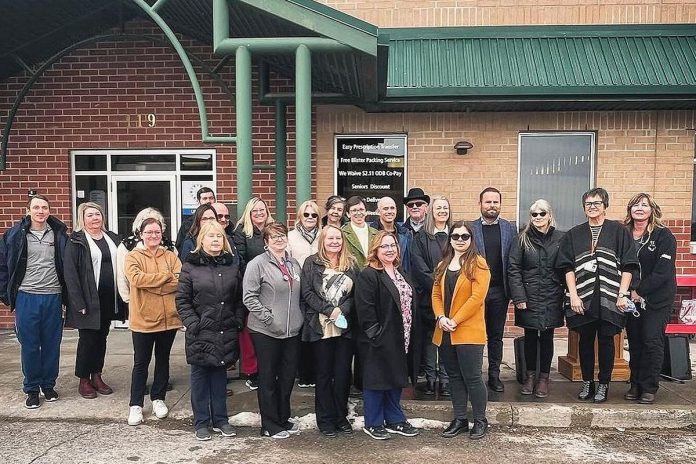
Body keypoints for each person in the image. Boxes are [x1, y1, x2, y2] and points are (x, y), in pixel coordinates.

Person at [556, 187, 639, 403]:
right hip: (583, 297)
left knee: (606, 341)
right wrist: (573, 295)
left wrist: (622, 295)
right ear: (583, 208)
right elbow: (566, 267)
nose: (592, 207)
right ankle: (587, 382)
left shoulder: (619, 231)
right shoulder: (574, 234)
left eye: (597, 203)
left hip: (610, 297)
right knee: (584, 341)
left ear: (605, 206)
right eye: (588, 204)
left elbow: (629, 265)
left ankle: (603, 384)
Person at [176, 221, 242, 441]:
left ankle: (221, 420)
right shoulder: (190, 266)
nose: (215, 240)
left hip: (225, 329)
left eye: (219, 236)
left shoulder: (231, 264)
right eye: (211, 236)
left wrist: (237, 321)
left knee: (220, 377)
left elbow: (239, 298)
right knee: (200, 377)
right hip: (201, 331)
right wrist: (194, 324)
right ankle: (201, 422)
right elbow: (182, 300)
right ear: (201, 240)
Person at [0, 194, 68, 409]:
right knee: (29, 346)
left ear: (49, 211)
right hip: (26, 296)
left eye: (45, 207)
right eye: (36, 207)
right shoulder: (14, 235)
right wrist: (5, 292)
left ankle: (48, 385)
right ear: (28, 210)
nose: (41, 211)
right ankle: (31, 389)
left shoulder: (58, 234)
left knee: (51, 345)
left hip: (53, 296)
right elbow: (3, 265)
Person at [355, 231, 420, 440]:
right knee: (377, 380)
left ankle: (394, 419)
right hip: (379, 338)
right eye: (384, 246)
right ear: (375, 250)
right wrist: (375, 335)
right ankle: (373, 422)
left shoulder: (401, 271)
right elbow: (365, 309)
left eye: (393, 245)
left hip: (403, 334)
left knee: (395, 378)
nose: (390, 249)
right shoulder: (369, 274)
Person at [243, 223, 303, 439]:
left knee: (287, 378)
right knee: (268, 378)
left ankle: (282, 418)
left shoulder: (293, 264)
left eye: (282, 235)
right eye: (274, 237)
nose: (279, 240)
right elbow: (249, 297)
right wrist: (268, 317)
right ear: (266, 242)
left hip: (291, 331)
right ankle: (269, 424)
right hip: (266, 331)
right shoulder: (257, 264)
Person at [432, 221, 491, 439]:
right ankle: (460, 419)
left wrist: (454, 320)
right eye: (455, 236)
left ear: (471, 239)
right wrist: (441, 317)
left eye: (464, 236)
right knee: (454, 376)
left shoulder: (479, 263)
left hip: (468, 331)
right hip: (445, 329)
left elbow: (477, 298)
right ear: (450, 239)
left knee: (472, 377)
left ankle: (480, 420)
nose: (459, 240)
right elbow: (436, 294)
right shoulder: (443, 264)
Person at [64, 202, 127, 399]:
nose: (95, 218)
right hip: (88, 299)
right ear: (82, 219)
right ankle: (84, 380)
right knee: (88, 340)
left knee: (101, 338)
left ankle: (96, 375)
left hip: (109, 298)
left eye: (98, 214)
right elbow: (70, 273)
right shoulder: (76, 241)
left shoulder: (113, 238)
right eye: (90, 215)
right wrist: (78, 302)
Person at [300, 225, 359, 437]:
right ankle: (325, 419)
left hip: (345, 328)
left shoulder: (351, 264)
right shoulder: (311, 263)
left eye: (338, 238)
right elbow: (306, 293)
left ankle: (340, 416)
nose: (334, 242)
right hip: (320, 326)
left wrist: (341, 310)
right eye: (330, 238)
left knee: (342, 373)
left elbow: (356, 296)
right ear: (323, 240)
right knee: (324, 375)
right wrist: (329, 311)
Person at [124, 217, 183, 426]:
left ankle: (158, 398)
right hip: (143, 319)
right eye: (149, 232)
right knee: (141, 362)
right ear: (141, 234)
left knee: (163, 360)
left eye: (157, 232)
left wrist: (154, 284)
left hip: (168, 319)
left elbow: (180, 281)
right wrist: (165, 277)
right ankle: (136, 405)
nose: (153, 236)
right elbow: (137, 280)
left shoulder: (170, 256)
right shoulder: (133, 256)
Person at [508, 200, 565, 398]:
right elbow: (513, 269)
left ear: (550, 215)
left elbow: (566, 267)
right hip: (529, 296)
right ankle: (530, 376)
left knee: (548, 337)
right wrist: (519, 296)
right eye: (534, 214)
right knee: (531, 336)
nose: (538, 217)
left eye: (542, 213)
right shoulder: (521, 239)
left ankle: (544, 378)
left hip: (552, 295)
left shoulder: (561, 238)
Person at [623, 193, 677, 404]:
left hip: (656, 299)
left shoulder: (664, 236)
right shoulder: (624, 234)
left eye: (644, 205)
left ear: (652, 210)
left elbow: (662, 272)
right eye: (635, 204)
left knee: (651, 340)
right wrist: (627, 293)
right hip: (630, 300)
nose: (639, 208)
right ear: (630, 209)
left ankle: (649, 386)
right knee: (634, 342)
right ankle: (635, 383)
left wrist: (639, 291)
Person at [469, 187, 517, 393]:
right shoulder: (470, 228)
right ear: (480, 204)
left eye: (495, 202)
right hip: (476, 292)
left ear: (500, 204)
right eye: (487, 202)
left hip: (499, 291)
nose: (491, 206)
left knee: (496, 336)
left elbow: (513, 260)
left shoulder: (509, 228)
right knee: (476, 335)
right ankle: (475, 376)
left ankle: (494, 375)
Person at [410, 195, 452, 396]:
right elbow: (419, 268)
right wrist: (438, 288)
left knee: (446, 338)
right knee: (429, 339)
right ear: (431, 212)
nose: (442, 211)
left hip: (453, 297)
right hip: (428, 296)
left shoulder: (457, 235)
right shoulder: (421, 238)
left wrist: (450, 289)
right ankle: (430, 377)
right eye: (438, 208)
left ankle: (445, 379)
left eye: (445, 208)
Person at [233, 196, 275, 391]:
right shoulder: (242, 233)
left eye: (262, 209)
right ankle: (252, 372)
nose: (259, 213)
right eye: (254, 210)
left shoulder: (274, 229)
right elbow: (240, 261)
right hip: (252, 288)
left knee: (270, 330)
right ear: (248, 214)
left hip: (273, 288)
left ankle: (268, 368)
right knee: (251, 333)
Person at [287, 200, 322, 388]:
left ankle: (315, 372)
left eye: (314, 215)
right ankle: (303, 373)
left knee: (316, 328)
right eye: (306, 214)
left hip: (319, 290)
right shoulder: (290, 237)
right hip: (297, 288)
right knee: (300, 330)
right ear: (300, 216)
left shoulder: (323, 236)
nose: (310, 218)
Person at [116, 207, 175, 306]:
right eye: (147, 223)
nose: (152, 226)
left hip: (166, 301)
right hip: (138, 302)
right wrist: (128, 300)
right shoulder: (127, 246)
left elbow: (177, 278)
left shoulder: (170, 247)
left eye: (156, 223)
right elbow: (122, 277)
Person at [371, 196, 412, 273]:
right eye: (385, 208)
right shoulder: (371, 233)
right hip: (379, 276)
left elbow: (408, 262)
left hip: (401, 277)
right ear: (378, 212)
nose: (389, 211)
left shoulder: (406, 233)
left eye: (392, 208)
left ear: (396, 210)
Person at [175, 187, 216, 253]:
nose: (208, 201)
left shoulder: (222, 219)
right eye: (205, 198)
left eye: (211, 198)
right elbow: (180, 245)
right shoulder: (188, 223)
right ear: (198, 201)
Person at [342, 195, 377, 269]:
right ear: (348, 214)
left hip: (372, 276)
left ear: (366, 212)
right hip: (352, 275)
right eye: (354, 210)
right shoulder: (342, 233)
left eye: (361, 209)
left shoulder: (376, 233)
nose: (358, 213)